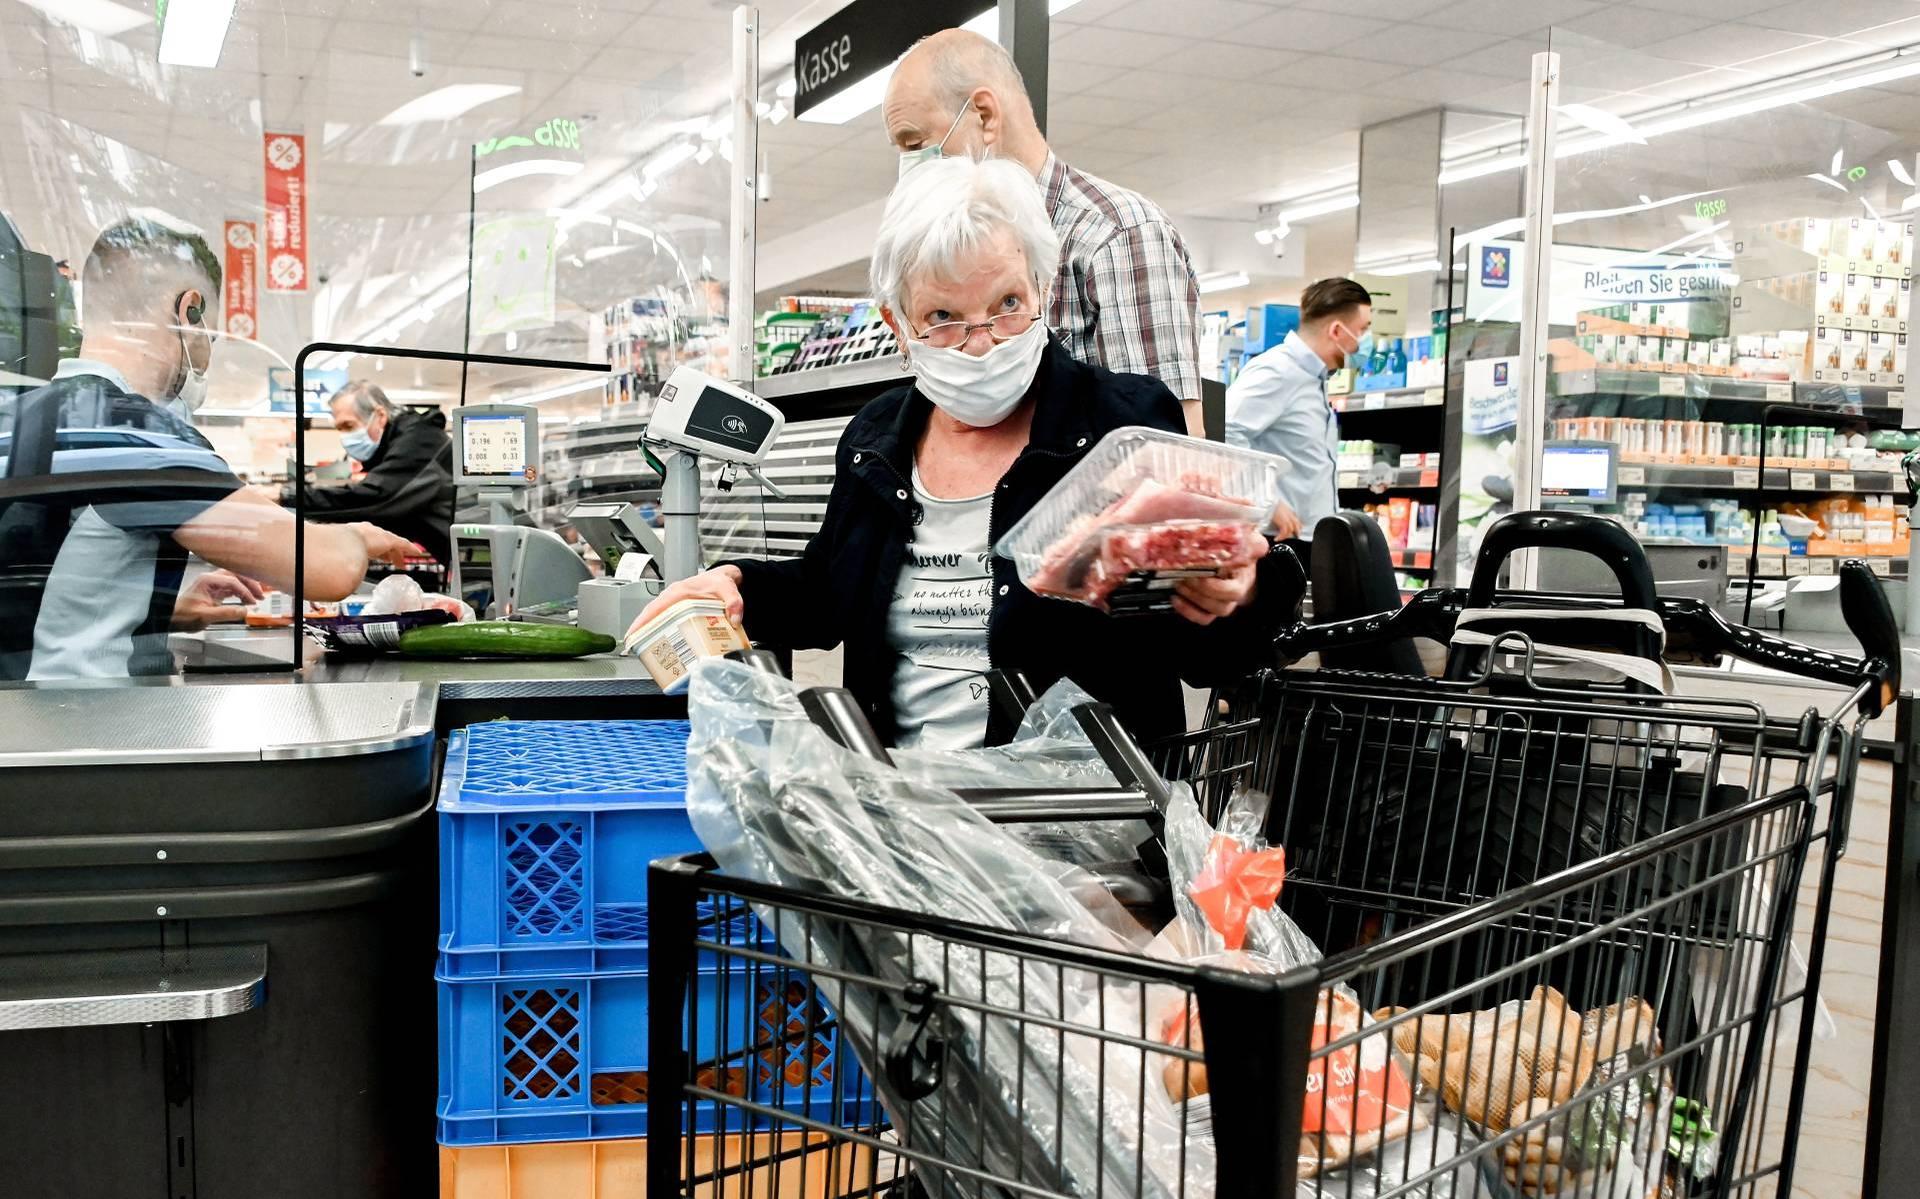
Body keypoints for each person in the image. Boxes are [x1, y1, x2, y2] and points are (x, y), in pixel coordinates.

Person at [629, 157, 1290, 750]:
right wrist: (737, 584)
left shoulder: (1121, 424)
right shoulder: (875, 439)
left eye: (1007, 304)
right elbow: (830, 591)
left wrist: (1240, 588)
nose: (982, 342)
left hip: (1083, 829)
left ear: (1043, 289)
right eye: (944, 316)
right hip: (908, 820)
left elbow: (1206, 649)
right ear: (899, 325)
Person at [0, 216, 414, 680]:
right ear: (189, 310)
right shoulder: (134, 430)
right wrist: (358, 537)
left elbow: (28, 589)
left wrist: (165, 606)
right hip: (90, 729)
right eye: (210, 337)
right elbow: (328, 570)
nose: (207, 356)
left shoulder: (18, 419)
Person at [883, 29, 1206, 437]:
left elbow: (1164, 445)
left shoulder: (1115, 235)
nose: (910, 165)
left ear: (984, 115)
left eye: (915, 143)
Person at [1224, 277, 1374, 571]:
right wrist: (1267, 502)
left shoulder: (1315, 378)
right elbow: (1226, 433)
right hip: (1277, 541)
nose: (1365, 341)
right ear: (1336, 330)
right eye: (1362, 330)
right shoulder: (1278, 370)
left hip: (1310, 538)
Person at [282, 380, 455, 565]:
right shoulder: (399, 443)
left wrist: (288, 496)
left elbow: (373, 498)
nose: (344, 437)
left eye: (348, 426)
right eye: (339, 429)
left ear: (380, 416)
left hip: (476, 556)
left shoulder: (420, 441)